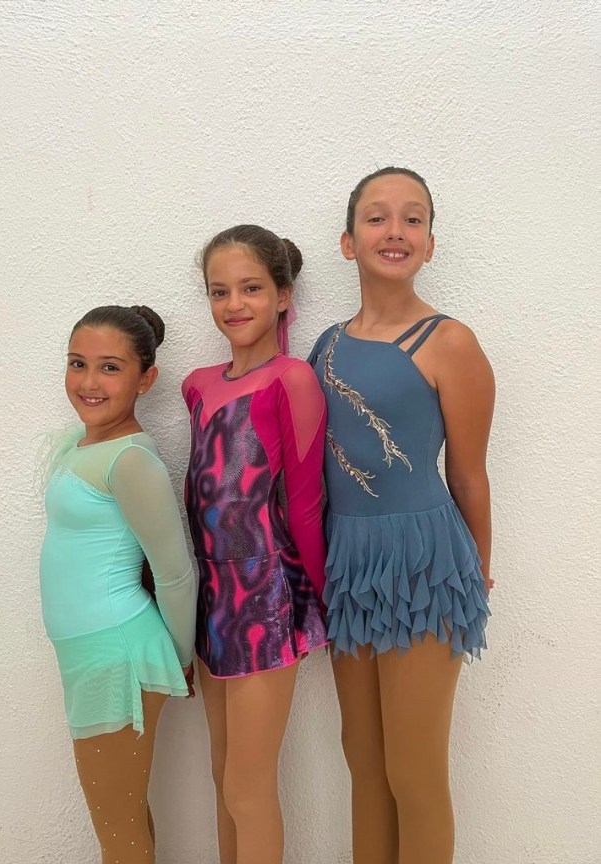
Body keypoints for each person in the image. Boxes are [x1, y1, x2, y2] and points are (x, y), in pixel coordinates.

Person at [308, 168, 493, 864]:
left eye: (413, 219)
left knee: (414, 772)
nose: (395, 230)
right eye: (377, 217)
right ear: (348, 242)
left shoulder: (451, 343)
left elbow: (468, 475)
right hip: (350, 568)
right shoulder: (325, 346)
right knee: (364, 762)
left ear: (430, 243)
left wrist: (477, 572)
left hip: (425, 566)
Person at [182, 225, 328, 864]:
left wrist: (324, 597)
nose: (234, 304)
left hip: (264, 596)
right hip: (211, 597)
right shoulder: (197, 385)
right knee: (222, 778)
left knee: (247, 785)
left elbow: (305, 502)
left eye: (251, 288)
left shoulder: (291, 380)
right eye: (219, 291)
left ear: (283, 296)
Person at [39, 304, 197, 864]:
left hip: (117, 656)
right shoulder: (86, 448)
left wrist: (180, 659)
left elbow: (175, 571)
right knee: (124, 826)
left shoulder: (130, 460)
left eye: (110, 367)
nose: (89, 382)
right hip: (92, 655)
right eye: (78, 363)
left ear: (145, 379)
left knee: (120, 837)